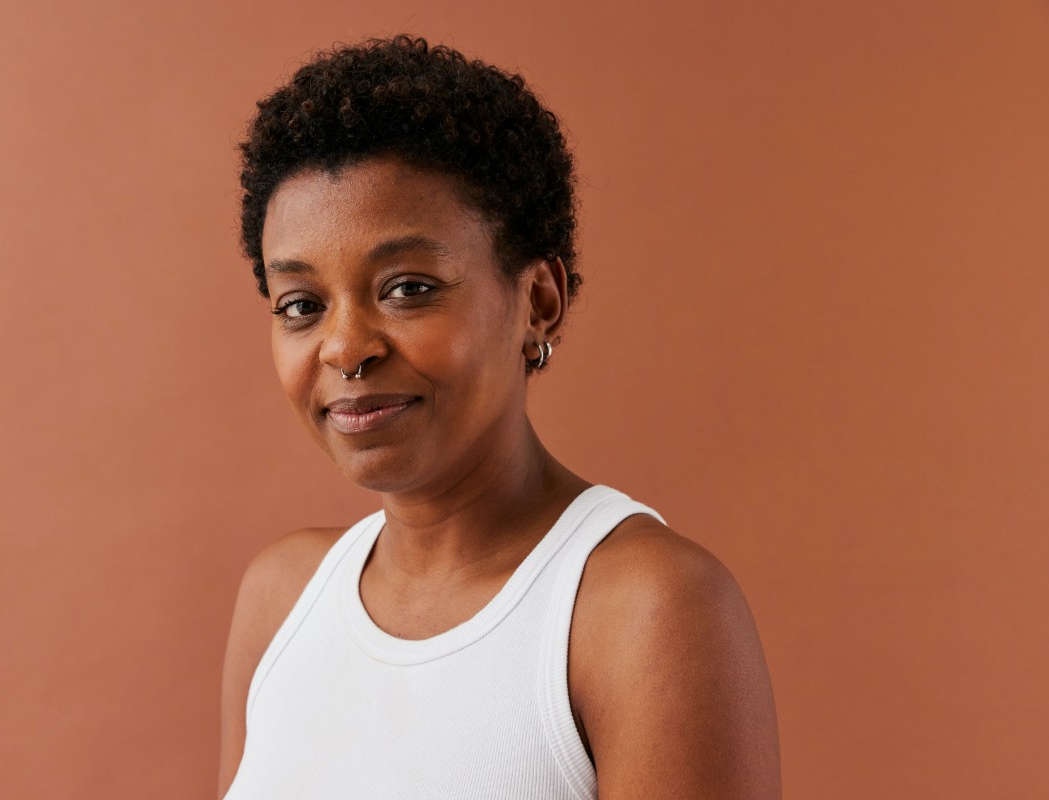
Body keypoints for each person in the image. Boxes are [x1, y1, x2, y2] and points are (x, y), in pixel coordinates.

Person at [218, 35, 780, 799]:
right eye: (300, 305)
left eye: (408, 289)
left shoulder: (641, 611)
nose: (344, 348)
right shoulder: (283, 596)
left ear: (538, 302)